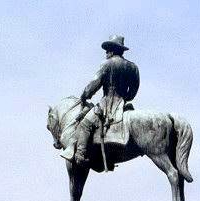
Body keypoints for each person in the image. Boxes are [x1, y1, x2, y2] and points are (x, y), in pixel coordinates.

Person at [60, 34, 140, 165]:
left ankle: (80, 154)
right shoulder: (132, 67)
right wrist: (126, 97)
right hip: (123, 103)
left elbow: (95, 83)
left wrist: (85, 95)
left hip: (108, 103)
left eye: (108, 50)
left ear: (113, 50)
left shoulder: (107, 64)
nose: (106, 53)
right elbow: (134, 89)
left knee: (85, 124)